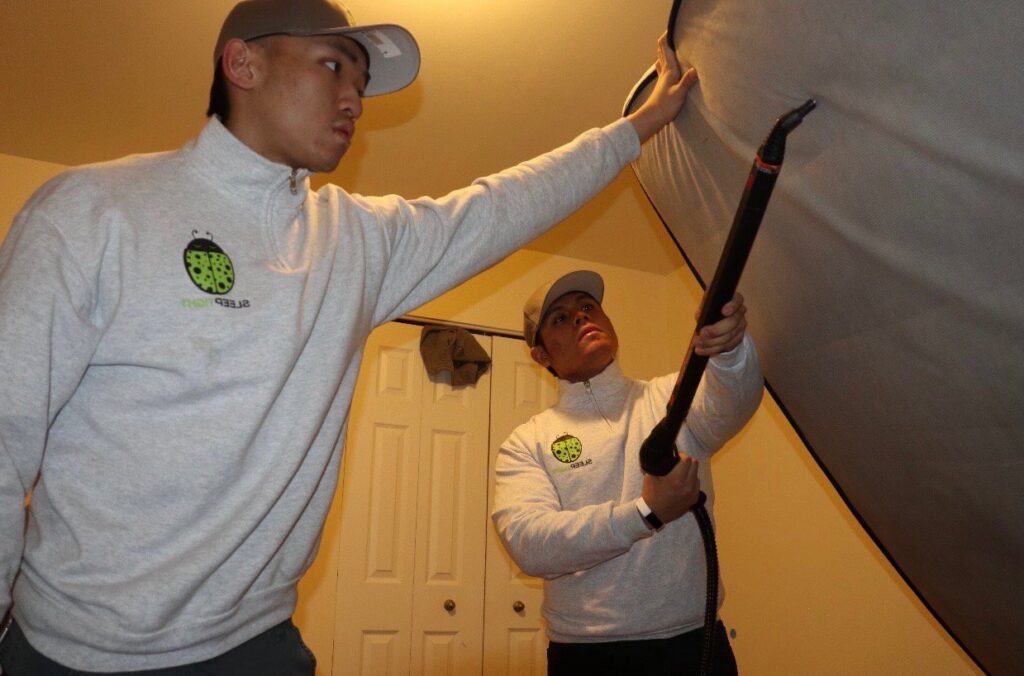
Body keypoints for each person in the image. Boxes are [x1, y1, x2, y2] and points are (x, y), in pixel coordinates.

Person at [0, 0, 699, 673]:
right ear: (242, 64)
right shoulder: (92, 212)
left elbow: (501, 205)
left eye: (362, 84)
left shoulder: (354, 240)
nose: (357, 102)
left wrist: (635, 130)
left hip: (257, 645)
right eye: (334, 67)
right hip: (74, 651)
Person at [492, 270, 763, 675]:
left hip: (695, 645)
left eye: (588, 307)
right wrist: (645, 512)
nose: (582, 317)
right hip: (588, 656)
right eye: (560, 319)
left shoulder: (671, 399)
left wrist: (729, 350)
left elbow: (735, 400)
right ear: (541, 356)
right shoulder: (528, 442)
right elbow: (531, 543)